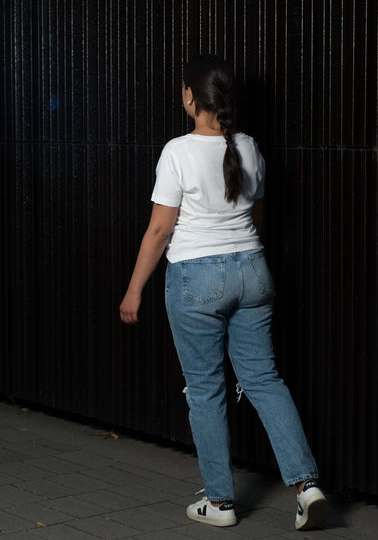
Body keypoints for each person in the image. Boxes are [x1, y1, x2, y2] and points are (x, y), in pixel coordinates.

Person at [119, 54, 327, 531]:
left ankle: (220, 502)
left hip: (197, 278)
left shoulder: (178, 151)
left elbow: (158, 231)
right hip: (253, 271)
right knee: (265, 380)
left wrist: (134, 291)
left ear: (190, 96)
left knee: (206, 390)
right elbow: (256, 218)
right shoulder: (249, 147)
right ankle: (306, 484)